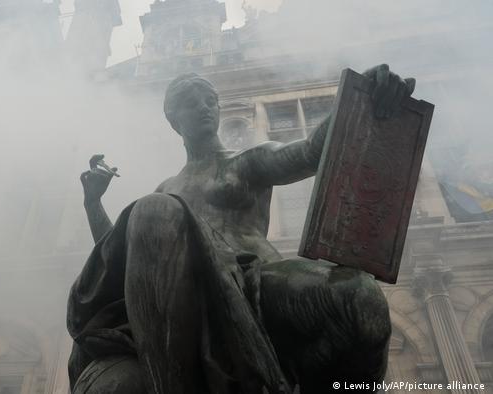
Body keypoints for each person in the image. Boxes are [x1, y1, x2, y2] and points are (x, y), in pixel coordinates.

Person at [67, 64, 416, 394]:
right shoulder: (164, 191)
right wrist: (93, 203)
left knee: (360, 296)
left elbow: (310, 153)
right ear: (175, 121)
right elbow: (123, 262)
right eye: (192, 104)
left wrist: (358, 101)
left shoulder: (247, 161)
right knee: (151, 210)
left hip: (256, 281)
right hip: (187, 293)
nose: (205, 109)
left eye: (211, 101)